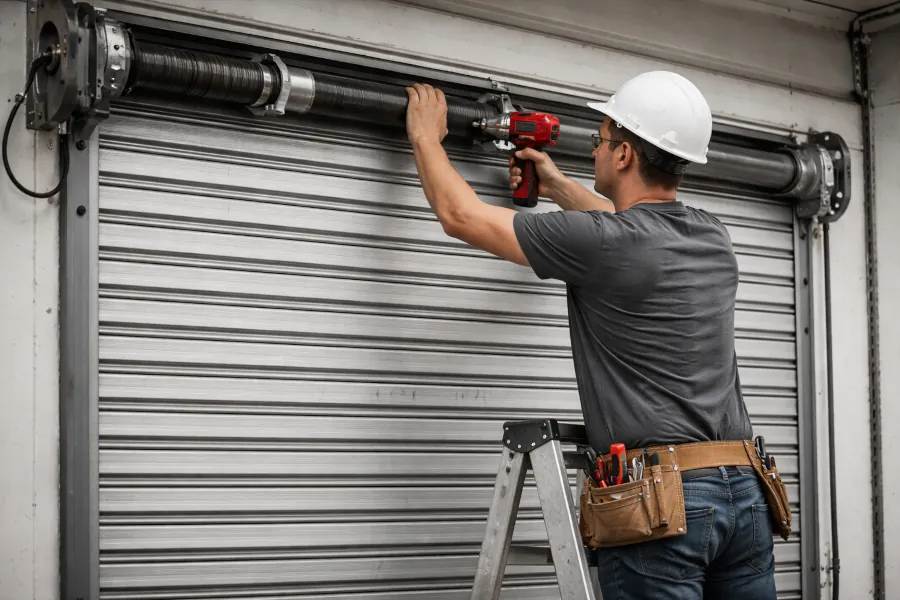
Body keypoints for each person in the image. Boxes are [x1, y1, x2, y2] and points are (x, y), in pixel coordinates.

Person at [403, 71, 777, 599]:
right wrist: (556, 186)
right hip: (744, 490)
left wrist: (425, 137)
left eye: (599, 141)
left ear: (624, 155)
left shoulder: (606, 244)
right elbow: (626, 230)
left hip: (664, 506)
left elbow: (461, 216)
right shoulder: (712, 236)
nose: (594, 150)